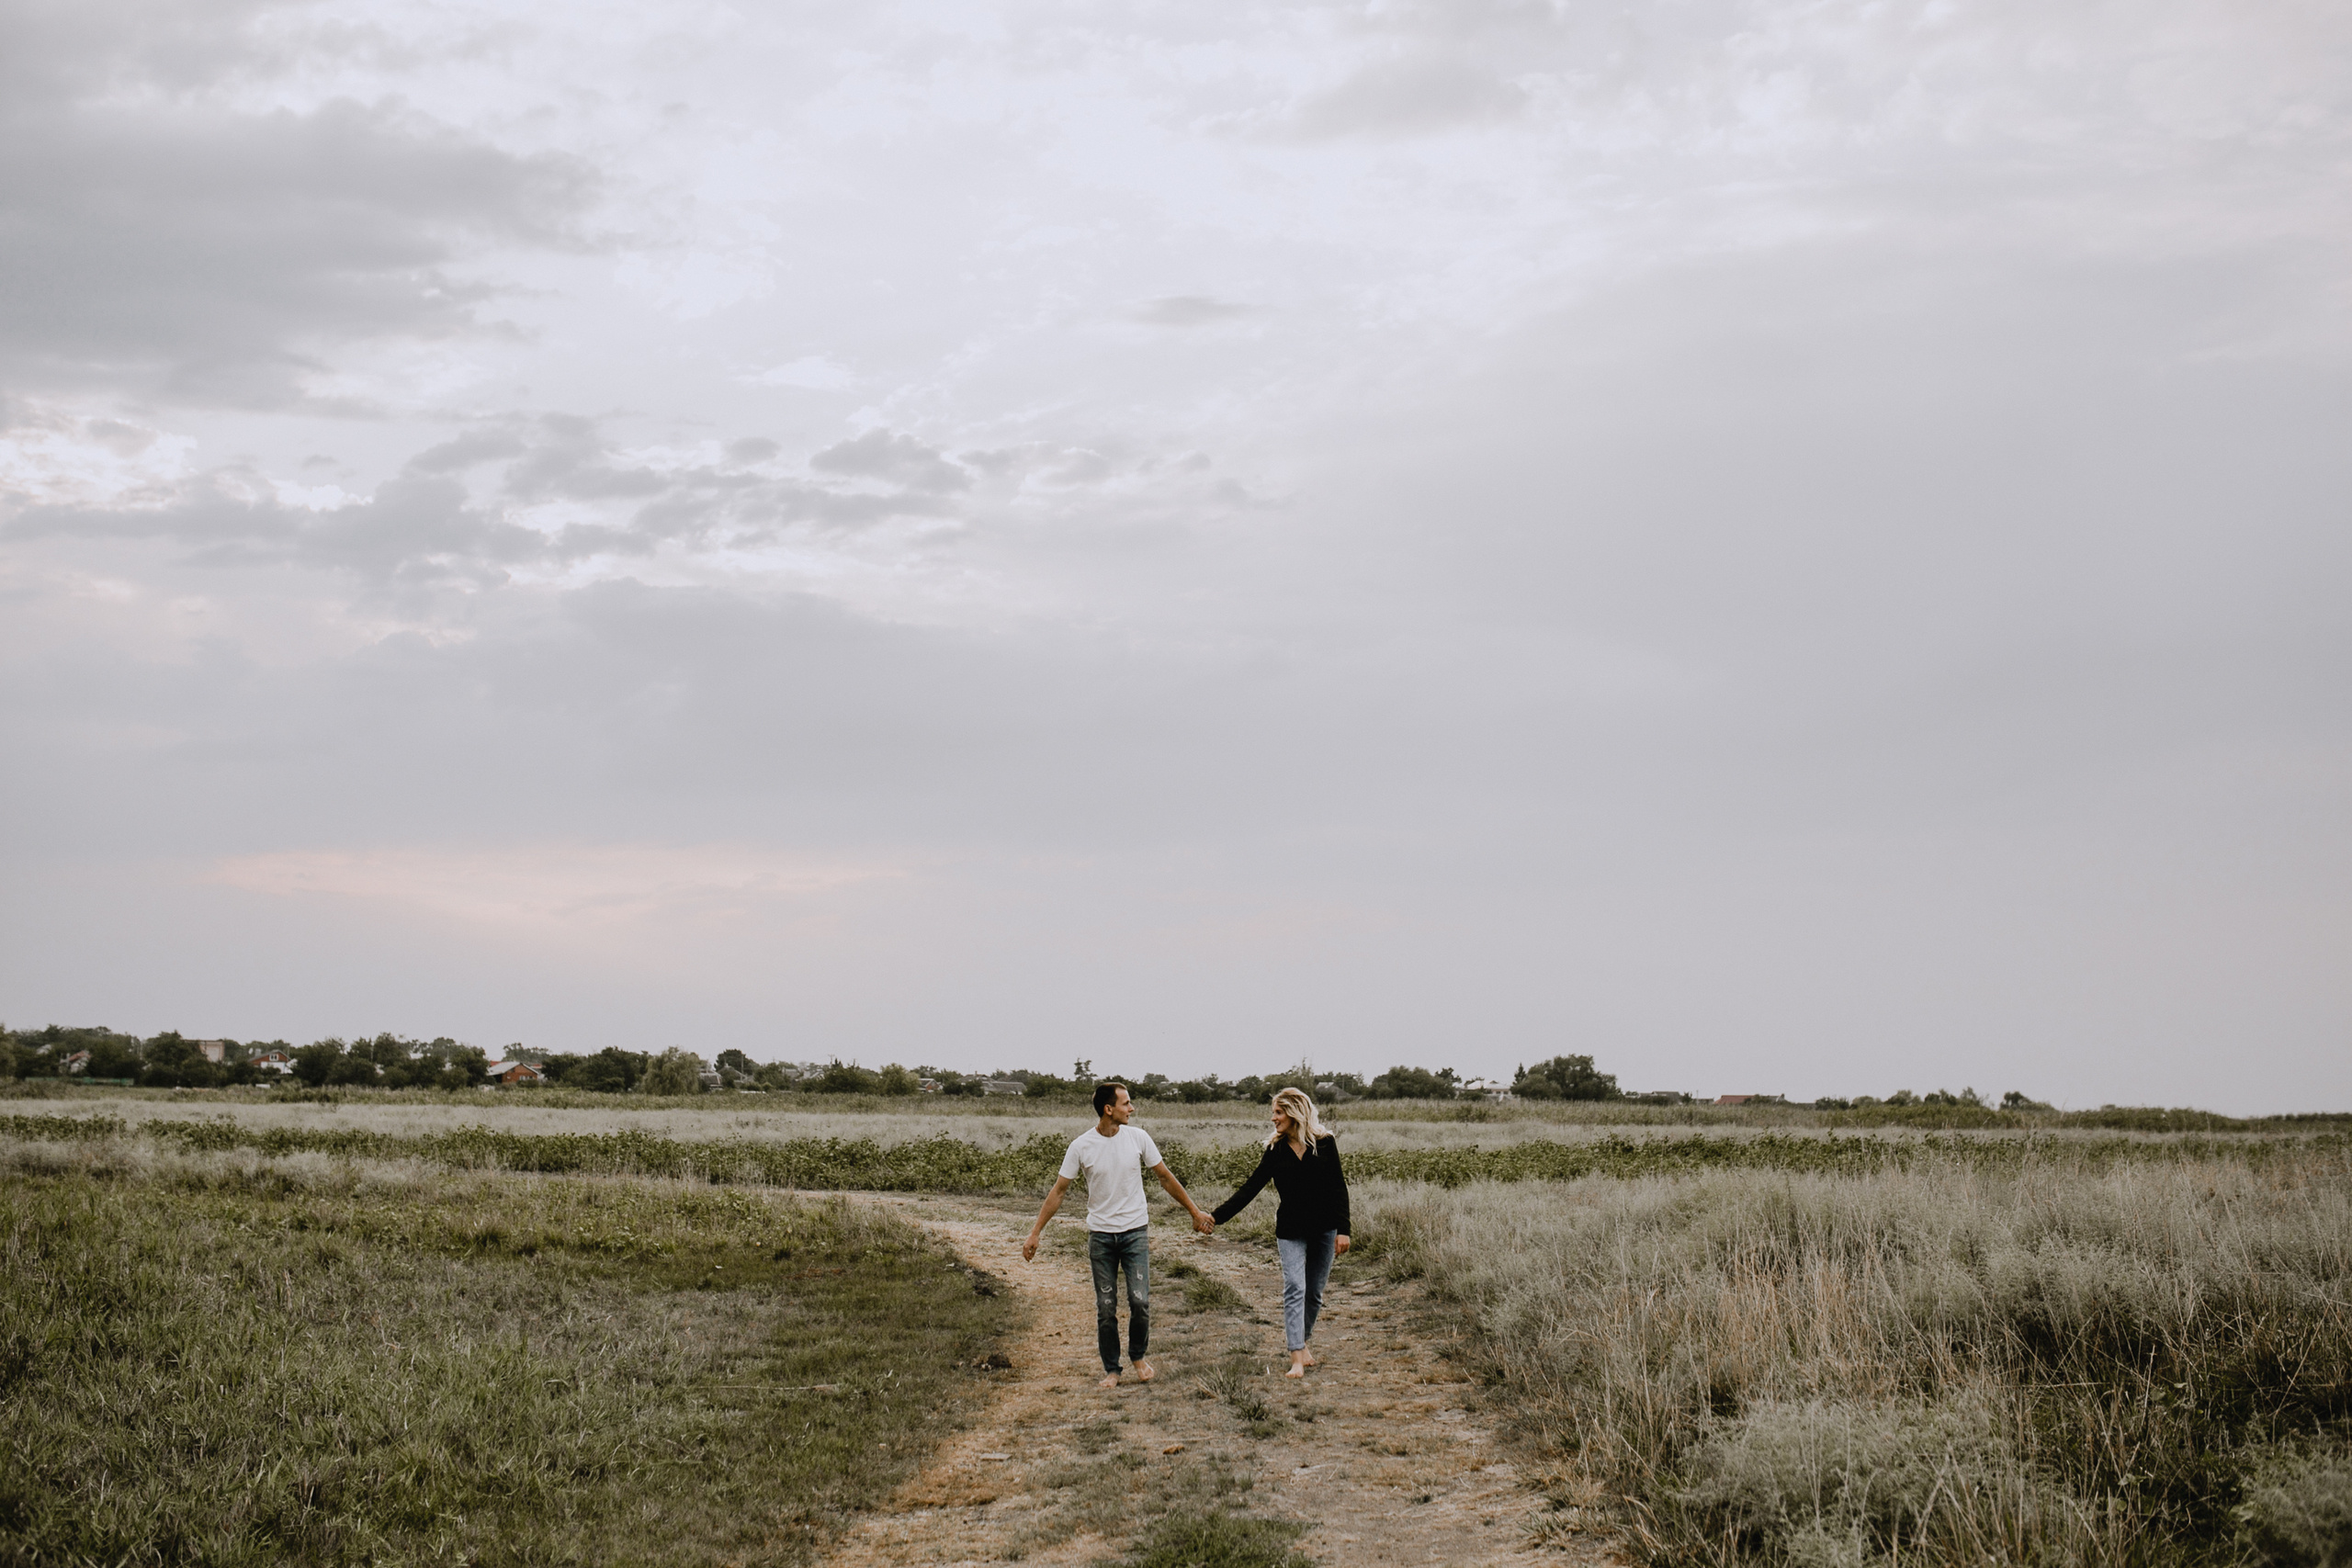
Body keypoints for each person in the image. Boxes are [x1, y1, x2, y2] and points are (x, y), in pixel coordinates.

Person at [1023, 1082, 1216, 1388]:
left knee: (1140, 1302)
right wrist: (1035, 1233)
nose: (1132, 1108)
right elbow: (1059, 1191)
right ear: (1108, 1109)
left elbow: (1165, 1177)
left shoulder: (1138, 1138)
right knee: (1106, 1307)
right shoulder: (1081, 1146)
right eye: (1126, 1103)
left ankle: (1138, 1356)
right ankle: (1112, 1369)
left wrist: (1195, 1212)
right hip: (1101, 1237)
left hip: (1134, 1233)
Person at [1209, 1087, 1351, 1378]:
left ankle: (1302, 1342)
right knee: (1295, 1288)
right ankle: (1296, 1356)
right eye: (1273, 1113)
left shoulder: (1325, 1143)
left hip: (1325, 1229)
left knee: (1314, 1295)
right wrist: (1215, 1217)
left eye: (1278, 1112)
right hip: (1290, 1231)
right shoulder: (1275, 1150)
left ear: (1295, 1112)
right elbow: (1250, 1188)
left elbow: (1339, 1187)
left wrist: (1344, 1230)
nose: (1273, 1118)